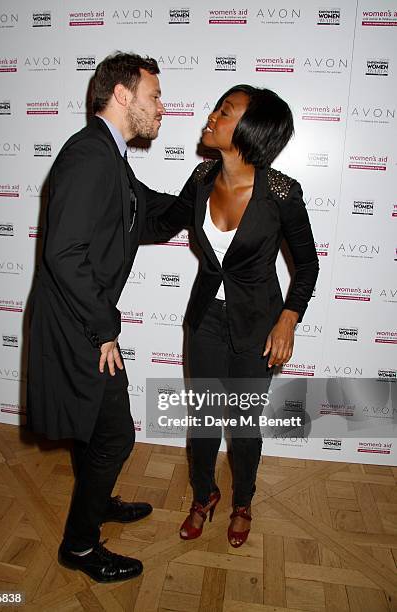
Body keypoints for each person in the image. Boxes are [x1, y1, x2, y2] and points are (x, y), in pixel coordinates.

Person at [146, 84, 319, 547]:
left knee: (243, 427)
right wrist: (115, 183)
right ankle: (204, 495)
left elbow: (308, 265)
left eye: (225, 112)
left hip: (258, 327)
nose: (212, 116)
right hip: (204, 321)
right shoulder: (201, 178)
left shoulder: (281, 192)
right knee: (202, 421)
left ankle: (243, 500)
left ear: (250, 129)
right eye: (218, 109)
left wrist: (288, 319)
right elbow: (164, 219)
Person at [27, 52, 175, 582]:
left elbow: (145, 213)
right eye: (154, 96)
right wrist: (104, 329)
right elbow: (64, 253)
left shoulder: (110, 155)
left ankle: (97, 502)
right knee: (115, 435)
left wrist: (201, 194)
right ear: (121, 95)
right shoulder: (90, 154)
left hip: (80, 318)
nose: (162, 107)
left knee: (95, 431)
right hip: (78, 323)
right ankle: (81, 547)